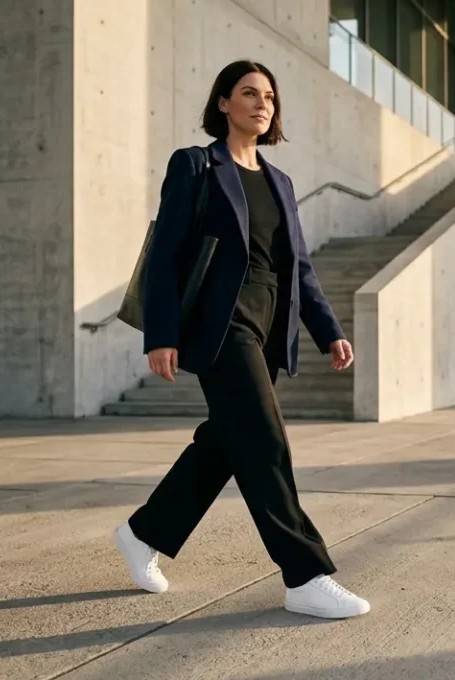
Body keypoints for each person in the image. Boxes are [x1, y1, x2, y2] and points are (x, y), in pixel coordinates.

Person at [112, 60, 369, 619]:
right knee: (266, 442)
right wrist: (160, 334)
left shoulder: (281, 183)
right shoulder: (197, 165)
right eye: (249, 93)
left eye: (270, 97)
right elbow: (167, 257)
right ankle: (304, 575)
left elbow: (299, 266)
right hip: (219, 324)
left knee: (226, 444)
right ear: (223, 103)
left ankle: (142, 533)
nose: (262, 104)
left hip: (267, 322)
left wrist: (328, 332)